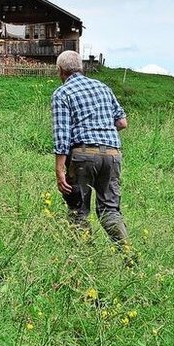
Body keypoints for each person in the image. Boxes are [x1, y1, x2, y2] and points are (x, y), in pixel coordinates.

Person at [51, 50, 129, 248]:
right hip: (112, 154)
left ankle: (84, 259)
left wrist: (59, 170)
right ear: (81, 67)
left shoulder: (62, 93)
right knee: (110, 210)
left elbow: (62, 135)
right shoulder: (103, 87)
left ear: (60, 71)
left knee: (78, 211)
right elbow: (122, 122)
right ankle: (129, 256)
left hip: (83, 156)